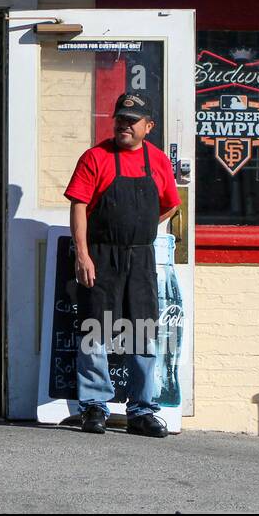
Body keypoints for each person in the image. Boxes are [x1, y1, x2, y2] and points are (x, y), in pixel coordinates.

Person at [63, 92, 180, 438]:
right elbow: (79, 206)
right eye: (120, 119)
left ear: (149, 126)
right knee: (95, 330)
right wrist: (82, 254)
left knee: (142, 330)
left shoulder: (158, 160)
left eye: (132, 120)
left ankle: (141, 411)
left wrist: (140, 230)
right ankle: (94, 407)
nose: (124, 125)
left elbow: (171, 204)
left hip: (141, 257)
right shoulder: (95, 158)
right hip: (101, 255)